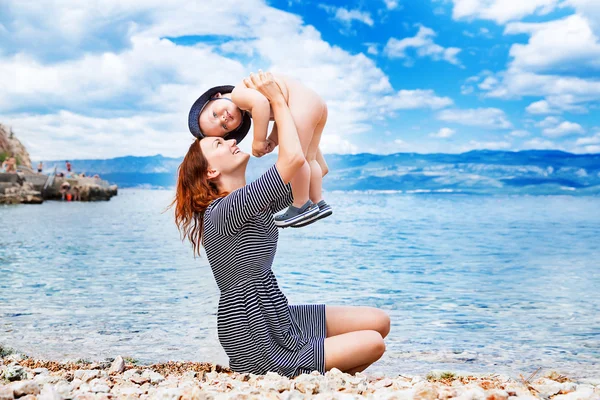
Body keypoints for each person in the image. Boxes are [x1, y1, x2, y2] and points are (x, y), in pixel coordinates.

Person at [173, 71, 389, 378]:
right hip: (254, 335)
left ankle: (314, 369)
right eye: (220, 144)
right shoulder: (223, 210)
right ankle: (304, 375)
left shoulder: (253, 202)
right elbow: (290, 161)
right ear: (210, 172)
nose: (232, 141)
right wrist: (276, 98)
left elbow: (316, 167)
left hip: (274, 314)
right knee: (372, 342)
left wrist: (307, 115)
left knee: (379, 321)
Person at [188, 72, 332, 228]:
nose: (222, 119)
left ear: (217, 95)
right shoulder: (226, 212)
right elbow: (284, 121)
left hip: (303, 104)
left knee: (302, 159)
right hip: (315, 104)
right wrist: (274, 138)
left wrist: (258, 141)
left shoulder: (238, 94)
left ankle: (302, 205)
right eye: (224, 128)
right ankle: (318, 202)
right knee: (308, 159)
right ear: (211, 171)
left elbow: (262, 104)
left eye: (214, 114)